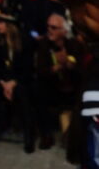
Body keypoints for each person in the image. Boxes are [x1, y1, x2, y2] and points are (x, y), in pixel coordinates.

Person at [34, 12, 85, 150]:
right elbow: (40, 71)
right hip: (54, 87)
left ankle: (78, 136)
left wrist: (70, 66)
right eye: (48, 26)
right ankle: (46, 135)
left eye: (53, 27)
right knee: (38, 91)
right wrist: (56, 68)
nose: (49, 30)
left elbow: (83, 69)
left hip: (72, 87)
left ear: (64, 31)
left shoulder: (74, 44)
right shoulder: (44, 44)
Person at [0, 19, 35, 152]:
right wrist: (4, 83)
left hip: (19, 79)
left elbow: (28, 68)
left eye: (1, 22)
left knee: (23, 93)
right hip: (2, 79)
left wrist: (13, 83)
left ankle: (29, 134)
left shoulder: (24, 41)